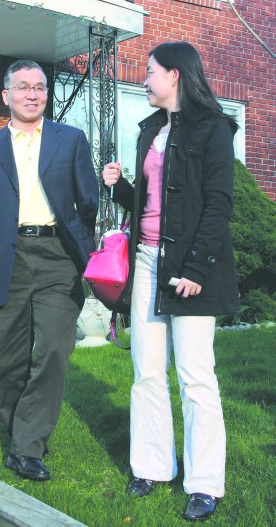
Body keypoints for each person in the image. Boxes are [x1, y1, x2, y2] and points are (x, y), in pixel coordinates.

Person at [103, 41, 239, 521]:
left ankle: (205, 483)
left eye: (150, 71)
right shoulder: (151, 130)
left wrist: (197, 268)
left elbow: (218, 204)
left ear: (175, 74)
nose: (144, 79)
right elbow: (150, 205)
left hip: (189, 265)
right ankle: (152, 467)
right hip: (146, 259)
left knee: (195, 375)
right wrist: (120, 188)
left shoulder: (214, 128)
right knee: (147, 370)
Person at [0, 59, 99, 482]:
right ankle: (22, 437)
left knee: (54, 349)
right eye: (23, 87)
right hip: (5, 259)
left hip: (59, 258)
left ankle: (27, 447)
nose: (32, 94)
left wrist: (83, 247)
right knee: (10, 360)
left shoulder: (70, 139)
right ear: (7, 95)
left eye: (39, 87)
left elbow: (88, 200)